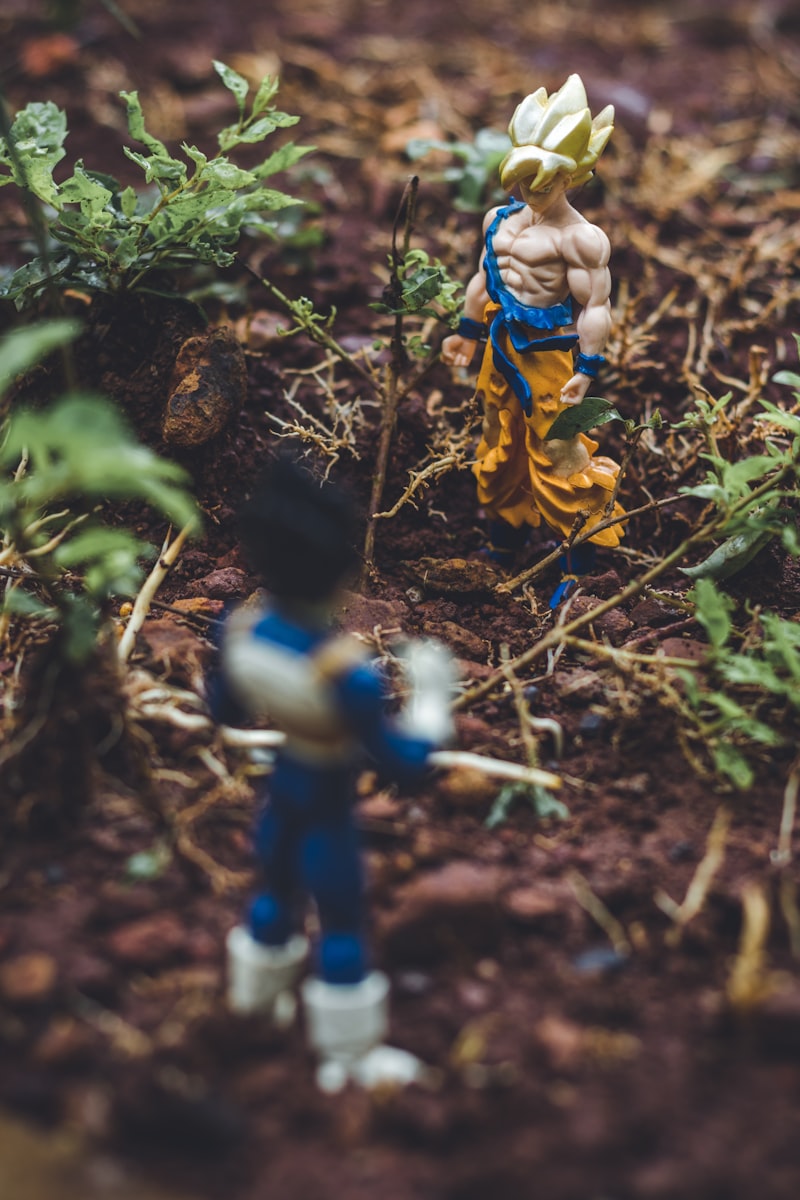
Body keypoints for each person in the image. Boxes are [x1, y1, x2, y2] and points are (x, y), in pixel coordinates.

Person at [214, 456, 453, 1091]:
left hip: (282, 792)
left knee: (274, 892)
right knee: (341, 919)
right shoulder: (348, 677)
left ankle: (256, 1002)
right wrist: (432, 704)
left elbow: (225, 711)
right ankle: (346, 1056)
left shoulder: (239, 631)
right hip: (325, 800)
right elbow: (404, 764)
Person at [441, 74, 625, 597]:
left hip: (547, 355)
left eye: (541, 181)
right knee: (498, 439)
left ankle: (577, 562)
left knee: (560, 449)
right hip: (499, 348)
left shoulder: (580, 238)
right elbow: (482, 281)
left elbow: (595, 306)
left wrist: (587, 368)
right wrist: (467, 332)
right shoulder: (498, 220)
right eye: (522, 179)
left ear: (570, 176)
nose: (528, 191)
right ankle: (505, 539)